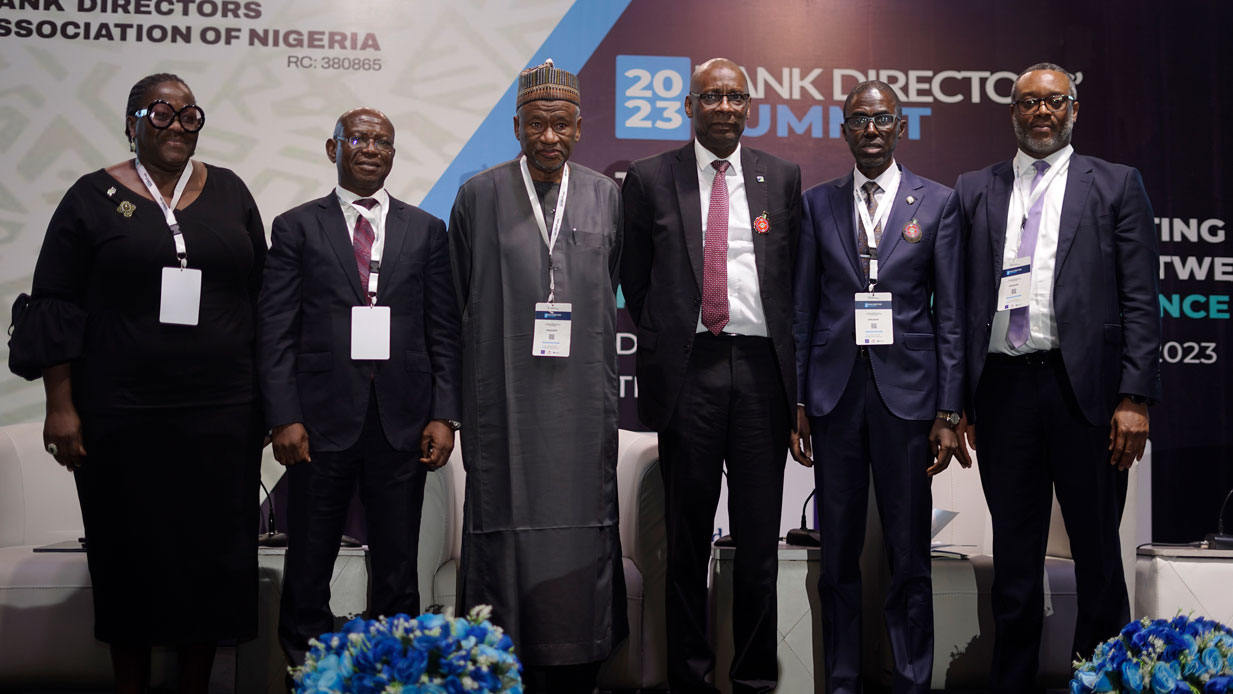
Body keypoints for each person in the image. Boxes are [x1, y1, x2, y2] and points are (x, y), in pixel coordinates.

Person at [6, 73, 266, 693]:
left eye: (189, 115)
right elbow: (55, 303)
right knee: (128, 553)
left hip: (223, 411)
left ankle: (195, 684)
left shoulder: (230, 191)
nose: (177, 125)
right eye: (161, 113)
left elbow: (262, 297)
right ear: (132, 123)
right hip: (121, 414)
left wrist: (272, 402)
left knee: (214, 555)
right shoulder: (90, 197)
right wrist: (60, 406)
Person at [954, 62, 1160, 692]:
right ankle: (1011, 682)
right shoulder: (975, 188)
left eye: (1054, 101)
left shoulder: (1116, 184)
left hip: (1087, 396)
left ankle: (1097, 682)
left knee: (1097, 556)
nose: (1041, 112)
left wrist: (1134, 396)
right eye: (1028, 102)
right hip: (1004, 391)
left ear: (1074, 108)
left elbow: (1140, 298)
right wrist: (958, 401)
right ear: (1012, 112)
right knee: (1014, 561)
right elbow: (958, 303)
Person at [621, 57, 802, 694]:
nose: (724, 106)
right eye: (711, 96)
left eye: (735, 96)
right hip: (688, 372)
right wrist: (672, 329)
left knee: (757, 546)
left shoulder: (781, 176)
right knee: (686, 544)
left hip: (761, 374)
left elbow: (793, 280)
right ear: (689, 106)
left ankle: (753, 680)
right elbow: (635, 278)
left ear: (748, 106)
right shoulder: (650, 177)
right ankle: (689, 680)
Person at [258, 107, 461, 666]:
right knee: (308, 563)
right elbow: (275, 329)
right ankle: (307, 671)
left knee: (398, 567)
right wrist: (283, 416)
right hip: (317, 423)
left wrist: (445, 414)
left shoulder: (427, 229)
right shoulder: (297, 226)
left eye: (383, 142)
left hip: (403, 422)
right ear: (334, 148)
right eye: (359, 139)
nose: (372, 149)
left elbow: (443, 329)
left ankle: (392, 669)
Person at [446, 59, 625, 694]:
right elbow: (457, 298)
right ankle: (497, 657)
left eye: (561, 125)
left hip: (581, 405)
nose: (549, 137)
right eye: (537, 124)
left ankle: (580, 659)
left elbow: (614, 279)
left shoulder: (606, 195)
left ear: (579, 127)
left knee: (585, 518)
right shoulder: (477, 195)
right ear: (516, 125)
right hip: (504, 402)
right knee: (501, 516)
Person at [789, 81, 964, 694]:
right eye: (859, 119)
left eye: (882, 118)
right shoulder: (817, 204)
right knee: (838, 554)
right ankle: (841, 681)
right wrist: (799, 400)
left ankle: (911, 680)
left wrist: (949, 408)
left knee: (909, 553)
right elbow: (803, 310)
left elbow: (950, 315)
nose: (871, 129)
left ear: (900, 127)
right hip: (834, 397)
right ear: (843, 129)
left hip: (909, 398)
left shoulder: (938, 203)